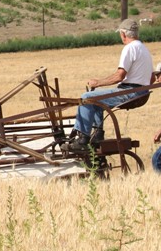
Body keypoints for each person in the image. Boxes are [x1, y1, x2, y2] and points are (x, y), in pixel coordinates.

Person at [61, 18, 153, 153]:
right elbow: (151, 77)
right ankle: (97, 135)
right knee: (97, 101)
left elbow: (119, 75)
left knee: (86, 98)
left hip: (131, 91)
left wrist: (98, 83)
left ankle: (82, 139)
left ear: (123, 34)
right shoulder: (144, 49)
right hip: (141, 92)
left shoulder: (129, 48)